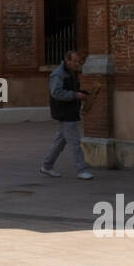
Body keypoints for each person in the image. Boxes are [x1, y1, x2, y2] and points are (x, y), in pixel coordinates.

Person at [40, 49, 93, 180]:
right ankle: (82, 170)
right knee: (75, 142)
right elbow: (56, 93)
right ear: (67, 60)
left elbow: (71, 90)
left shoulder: (71, 73)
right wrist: (76, 95)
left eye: (78, 61)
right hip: (64, 112)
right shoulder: (58, 74)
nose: (77, 64)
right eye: (74, 61)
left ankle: (46, 166)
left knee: (59, 142)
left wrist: (82, 93)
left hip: (70, 111)